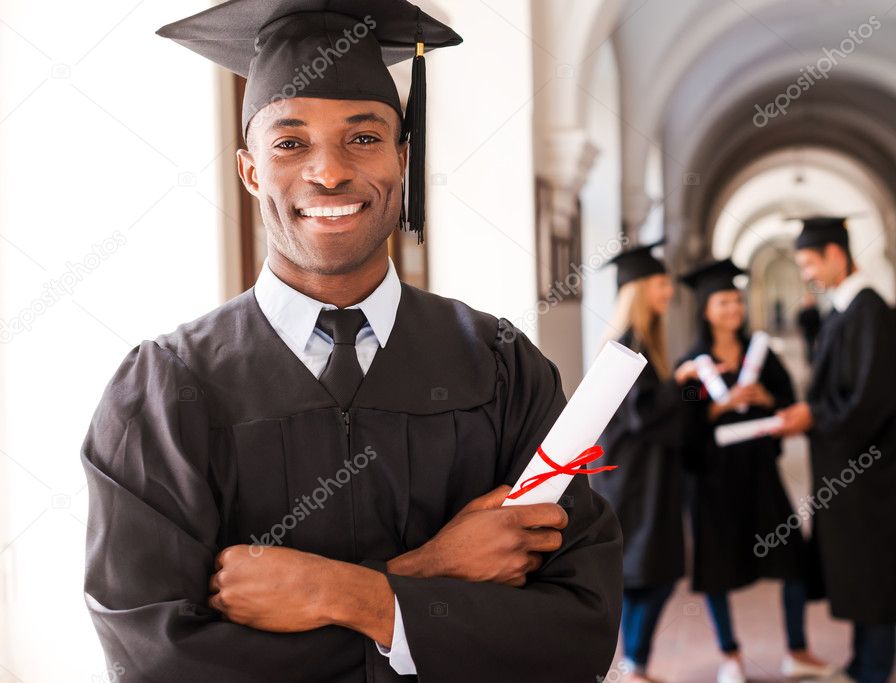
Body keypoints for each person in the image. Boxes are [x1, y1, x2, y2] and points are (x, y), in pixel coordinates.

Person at [80, 2, 623, 681]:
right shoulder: (162, 391)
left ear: (402, 158)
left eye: (362, 138)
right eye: (289, 142)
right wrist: (428, 576)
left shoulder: (504, 367)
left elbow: (578, 633)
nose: (329, 171)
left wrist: (337, 593)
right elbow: (155, 661)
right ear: (250, 170)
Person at [675, 260, 832, 683]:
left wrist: (764, 394)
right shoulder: (692, 365)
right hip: (712, 476)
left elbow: (787, 400)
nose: (733, 309)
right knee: (716, 568)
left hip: (759, 471)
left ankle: (797, 650)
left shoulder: (761, 356)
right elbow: (682, 420)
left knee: (792, 558)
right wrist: (718, 405)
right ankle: (730, 656)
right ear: (706, 309)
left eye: (737, 301)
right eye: (723, 302)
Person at [773, 217, 896, 683]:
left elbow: (872, 399)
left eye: (810, 262)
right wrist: (806, 411)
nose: (807, 273)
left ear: (836, 254)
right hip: (844, 468)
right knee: (856, 566)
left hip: (866, 470)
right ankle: (861, 662)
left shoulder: (868, 311)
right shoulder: (845, 311)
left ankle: (874, 668)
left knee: (872, 567)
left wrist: (813, 416)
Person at [590, 242, 698, 683]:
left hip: (651, 474)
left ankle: (634, 663)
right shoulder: (626, 345)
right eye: (660, 283)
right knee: (649, 573)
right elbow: (644, 413)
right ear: (637, 289)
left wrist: (691, 389)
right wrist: (685, 383)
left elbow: (668, 409)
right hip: (634, 480)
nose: (669, 290)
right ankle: (631, 664)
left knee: (648, 572)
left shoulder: (646, 343)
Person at [796, 291, 822, 363]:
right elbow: (800, 321)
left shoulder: (815, 310)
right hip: (807, 331)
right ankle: (810, 359)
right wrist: (800, 329)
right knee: (809, 346)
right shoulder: (803, 311)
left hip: (815, 330)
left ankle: (815, 357)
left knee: (815, 345)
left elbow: (819, 320)